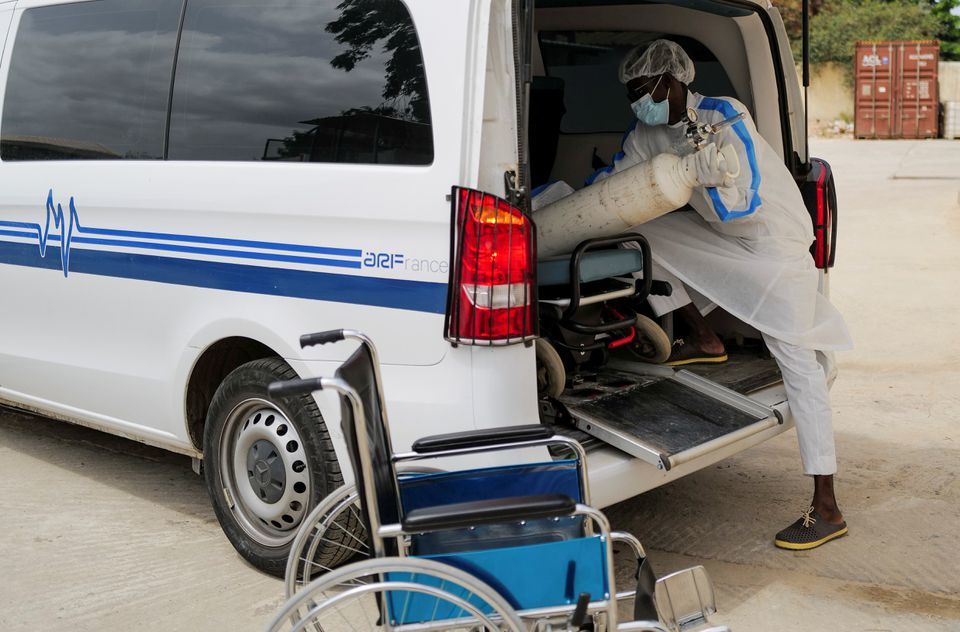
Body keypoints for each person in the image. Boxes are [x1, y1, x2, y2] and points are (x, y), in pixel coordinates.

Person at [588, 39, 854, 550]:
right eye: (631, 93)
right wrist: (567, 203)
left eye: (643, 89)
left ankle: (827, 506)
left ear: (673, 82)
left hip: (774, 245)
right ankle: (704, 338)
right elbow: (616, 178)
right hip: (731, 240)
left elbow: (742, 197)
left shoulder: (723, 114)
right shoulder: (648, 130)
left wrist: (691, 177)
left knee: (798, 365)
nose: (636, 101)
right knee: (648, 238)